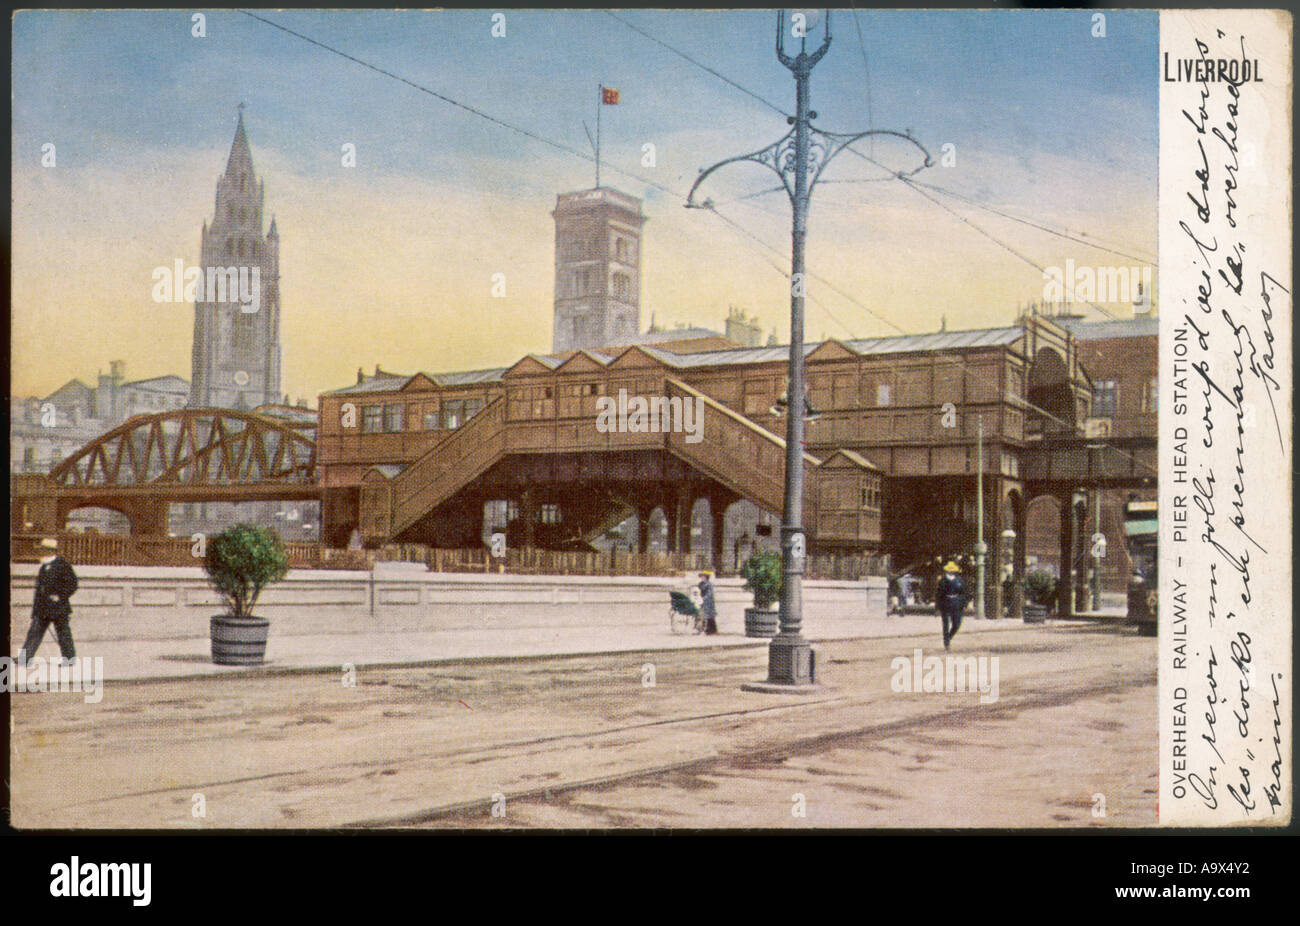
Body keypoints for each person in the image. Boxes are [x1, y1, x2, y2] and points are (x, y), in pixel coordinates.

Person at [20, 538, 80, 666]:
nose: (40, 552)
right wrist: (35, 610)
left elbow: (73, 584)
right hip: (43, 608)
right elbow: (39, 592)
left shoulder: (62, 565)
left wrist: (60, 596)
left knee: (63, 634)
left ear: (50, 550)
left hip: (58, 607)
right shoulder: (43, 566)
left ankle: (69, 660)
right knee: (34, 632)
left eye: (42, 549)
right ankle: (25, 659)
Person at [935, 560, 968, 649]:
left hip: (957, 603)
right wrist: (937, 607)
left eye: (952, 569)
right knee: (946, 624)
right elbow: (938, 594)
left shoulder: (959, 580)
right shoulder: (942, 581)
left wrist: (964, 603)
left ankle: (949, 637)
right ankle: (946, 642)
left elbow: (964, 592)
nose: (951, 571)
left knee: (957, 623)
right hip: (945, 602)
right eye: (949, 570)